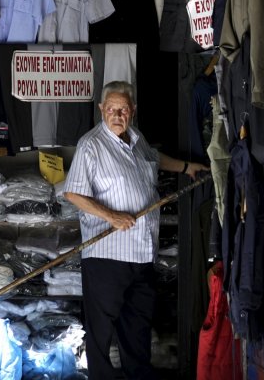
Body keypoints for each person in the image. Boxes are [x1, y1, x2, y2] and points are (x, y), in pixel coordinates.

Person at [64, 80, 208, 380]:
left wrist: (185, 168)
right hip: (107, 256)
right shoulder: (91, 145)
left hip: (141, 254)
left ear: (133, 111)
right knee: (101, 331)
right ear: (102, 109)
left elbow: (153, 159)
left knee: (137, 326)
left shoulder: (136, 137)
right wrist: (111, 216)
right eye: (112, 109)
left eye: (124, 109)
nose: (118, 115)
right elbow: (73, 193)